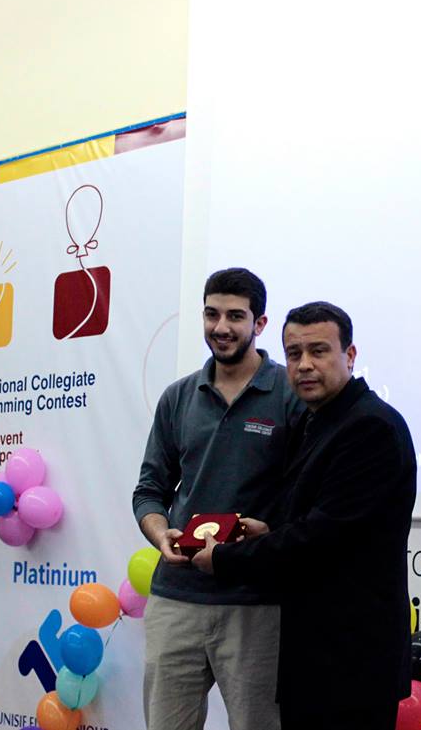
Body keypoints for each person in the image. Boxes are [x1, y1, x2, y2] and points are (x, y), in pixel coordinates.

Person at [193, 301, 417, 730]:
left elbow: (320, 538)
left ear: (350, 356)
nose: (305, 365)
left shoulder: (369, 427)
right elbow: (317, 523)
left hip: (352, 663)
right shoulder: (318, 422)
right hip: (317, 658)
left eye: (319, 351)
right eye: (294, 354)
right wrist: (268, 531)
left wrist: (222, 558)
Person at [132, 268, 303, 730]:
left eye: (235, 316)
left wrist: (271, 532)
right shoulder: (178, 397)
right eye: (211, 314)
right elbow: (149, 490)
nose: (221, 327)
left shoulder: (291, 394)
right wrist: (160, 535)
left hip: (256, 602)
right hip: (176, 597)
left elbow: (308, 497)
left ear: (260, 323)